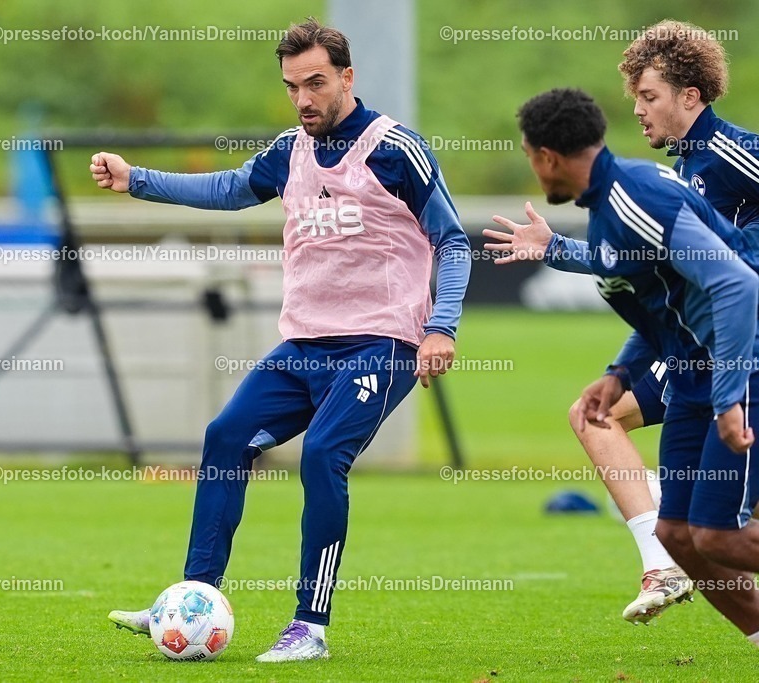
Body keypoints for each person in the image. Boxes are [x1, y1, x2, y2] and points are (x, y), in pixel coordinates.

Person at [94, 18, 471, 662]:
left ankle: (310, 628)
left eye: (316, 83)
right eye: (293, 86)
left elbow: (453, 239)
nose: (303, 99)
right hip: (303, 347)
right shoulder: (290, 150)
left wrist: (442, 326)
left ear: (347, 78)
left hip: (380, 345)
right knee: (224, 437)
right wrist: (139, 180)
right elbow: (231, 189)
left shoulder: (393, 149)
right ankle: (194, 599)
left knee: (323, 454)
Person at [482, 20, 759, 623]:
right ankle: (664, 559)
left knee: (718, 534)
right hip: (696, 352)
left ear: (691, 97)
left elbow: (732, 277)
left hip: (739, 350)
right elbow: (647, 274)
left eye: (649, 96)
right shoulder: (662, 178)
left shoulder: (731, 156)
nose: (636, 109)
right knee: (686, 528)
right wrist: (620, 365)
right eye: (633, 96)